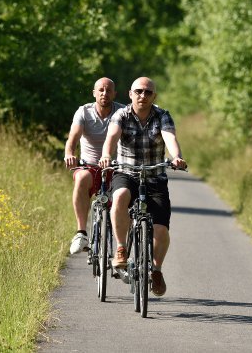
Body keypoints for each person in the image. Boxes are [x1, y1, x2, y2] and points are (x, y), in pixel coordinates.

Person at [99, 77, 186, 297]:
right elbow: (112, 136)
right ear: (130, 94)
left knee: (161, 229)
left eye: (148, 93)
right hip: (126, 172)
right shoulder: (121, 115)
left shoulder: (162, 116)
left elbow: (169, 138)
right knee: (119, 197)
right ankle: (120, 248)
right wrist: (107, 155)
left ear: (154, 96)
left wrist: (176, 157)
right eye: (139, 91)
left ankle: (156, 270)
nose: (143, 96)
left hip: (155, 177)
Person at [63, 77, 125, 255]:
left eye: (108, 90)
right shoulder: (84, 112)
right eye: (101, 90)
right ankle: (81, 233)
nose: (104, 93)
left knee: (128, 196)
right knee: (81, 178)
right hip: (89, 166)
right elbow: (72, 139)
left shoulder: (122, 112)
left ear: (115, 94)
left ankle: (123, 247)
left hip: (117, 167)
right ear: (94, 93)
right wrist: (69, 154)